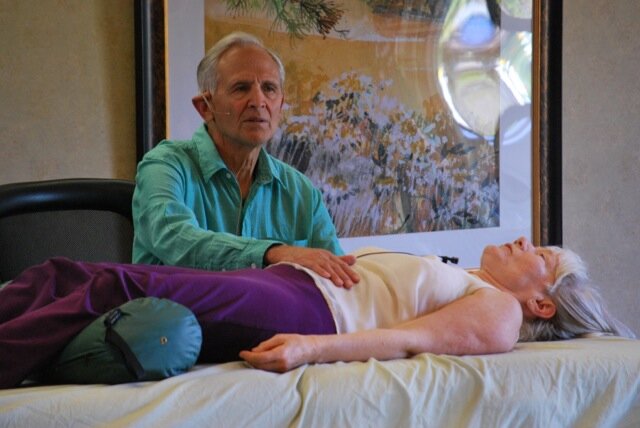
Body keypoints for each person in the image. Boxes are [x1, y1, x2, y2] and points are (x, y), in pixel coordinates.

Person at [0, 237, 634, 389]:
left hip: (309, 309)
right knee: (66, 274)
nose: (523, 241)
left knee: (110, 284)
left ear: (542, 301)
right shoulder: (466, 276)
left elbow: (405, 339)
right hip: (289, 282)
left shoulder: (500, 312)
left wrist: (310, 348)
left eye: (539, 253)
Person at [132, 31, 359, 288]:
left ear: (280, 106)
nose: (258, 101)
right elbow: (173, 237)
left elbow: (337, 278)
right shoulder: (165, 166)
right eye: (241, 88)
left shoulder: (301, 191)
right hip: (178, 312)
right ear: (205, 107)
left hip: (272, 315)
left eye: (269, 88)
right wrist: (273, 253)